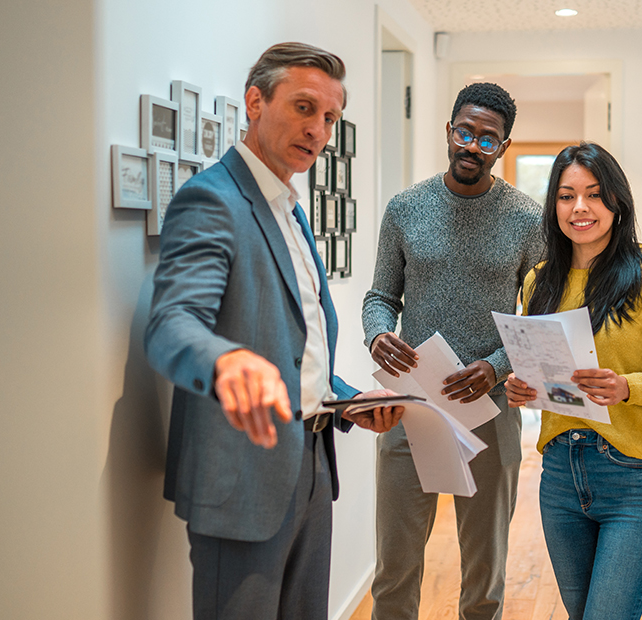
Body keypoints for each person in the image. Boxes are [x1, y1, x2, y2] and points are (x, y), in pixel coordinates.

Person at [145, 42, 402, 620]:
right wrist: (223, 361)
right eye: (305, 107)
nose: (319, 130)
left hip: (313, 463)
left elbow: (298, 350)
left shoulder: (289, 207)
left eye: (331, 117)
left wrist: (351, 400)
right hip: (242, 477)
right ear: (255, 101)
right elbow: (171, 323)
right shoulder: (211, 200)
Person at [362, 82, 543, 620]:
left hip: (490, 411)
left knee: (484, 576)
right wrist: (377, 334)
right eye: (465, 133)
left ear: (503, 148)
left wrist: (496, 366)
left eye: (487, 140)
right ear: (449, 130)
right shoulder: (405, 208)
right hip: (410, 407)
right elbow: (379, 297)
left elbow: (537, 319)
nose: (472, 146)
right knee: (395, 569)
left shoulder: (528, 219)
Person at [505, 142, 642, 620]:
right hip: (559, 476)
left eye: (593, 194)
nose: (580, 208)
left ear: (616, 201)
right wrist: (522, 388)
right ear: (554, 205)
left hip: (633, 476)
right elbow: (545, 375)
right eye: (567, 196)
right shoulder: (538, 281)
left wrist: (626, 386)